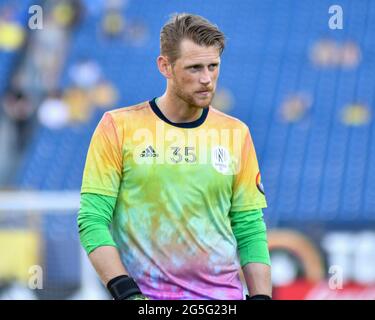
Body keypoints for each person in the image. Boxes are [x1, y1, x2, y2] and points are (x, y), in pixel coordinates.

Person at [78, 13, 272, 300]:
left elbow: (250, 228)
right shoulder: (118, 127)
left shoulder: (236, 133)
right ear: (165, 66)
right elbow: (92, 220)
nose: (207, 79)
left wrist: (261, 298)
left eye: (213, 66)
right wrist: (127, 293)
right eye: (194, 68)